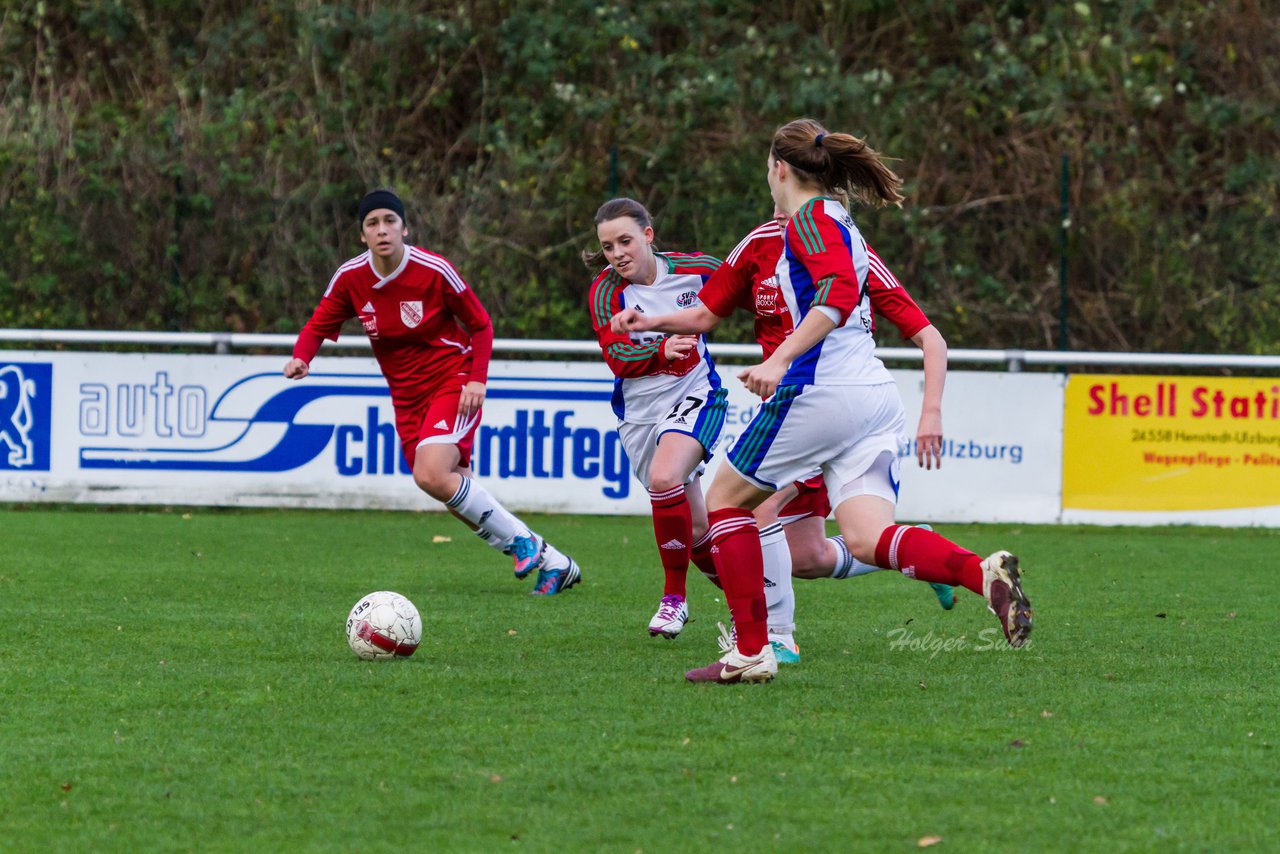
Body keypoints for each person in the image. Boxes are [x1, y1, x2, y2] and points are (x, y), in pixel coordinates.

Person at [681, 119, 1033, 684]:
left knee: (726, 503)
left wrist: (776, 361)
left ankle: (757, 649)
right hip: (871, 396)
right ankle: (980, 571)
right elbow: (720, 309)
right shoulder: (840, 225)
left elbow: (838, 296)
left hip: (821, 392)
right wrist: (651, 321)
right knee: (865, 539)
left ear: (779, 169)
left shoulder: (809, 221)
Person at [610, 207, 955, 666]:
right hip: (789, 412)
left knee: (751, 506)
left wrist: (931, 410)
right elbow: (707, 311)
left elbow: (930, 337)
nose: (785, 204)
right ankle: (916, 548)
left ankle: (777, 638)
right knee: (808, 558)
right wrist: (649, 323)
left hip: (830, 407)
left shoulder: (851, 252)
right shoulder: (757, 247)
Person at [284, 188, 582, 595]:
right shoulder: (351, 278)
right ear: (362, 235)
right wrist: (303, 357)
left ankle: (522, 543)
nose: (382, 230)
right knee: (453, 493)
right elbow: (319, 324)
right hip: (406, 399)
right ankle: (554, 562)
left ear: (405, 228)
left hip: (453, 380)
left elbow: (480, 324)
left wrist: (477, 378)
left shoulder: (434, 269)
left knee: (431, 473)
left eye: (390, 221)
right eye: (372, 223)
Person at [584, 197, 728, 638]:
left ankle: (673, 600)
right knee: (698, 526)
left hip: (696, 393)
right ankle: (757, 604)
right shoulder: (607, 291)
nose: (618, 254)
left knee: (666, 478)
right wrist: (660, 348)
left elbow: (751, 282)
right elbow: (617, 354)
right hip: (640, 415)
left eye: (625, 241)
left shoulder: (696, 268)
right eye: (608, 247)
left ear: (648, 235)